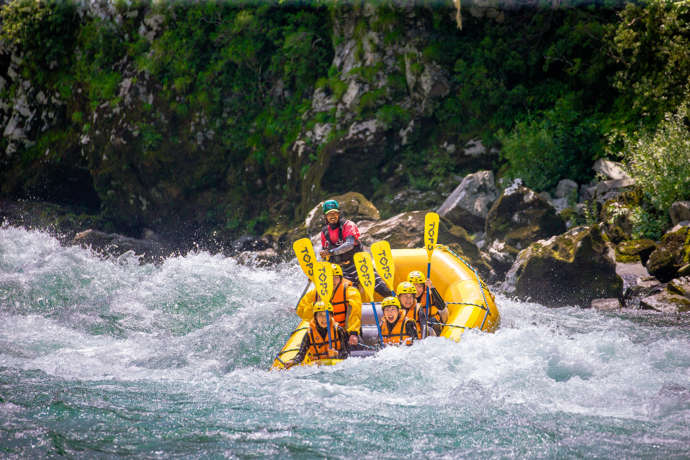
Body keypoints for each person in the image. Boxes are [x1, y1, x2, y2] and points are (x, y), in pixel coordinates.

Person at [318, 199, 392, 297]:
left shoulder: (348, 225)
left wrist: (331, 252)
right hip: (342, 270)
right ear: (325, 216)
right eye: (329, 214)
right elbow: (326, 256)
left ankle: (396, 305)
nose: (332, 216)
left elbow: (349, 244)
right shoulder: (324, 233)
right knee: (343, 295)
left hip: (359, 263)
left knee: (380, 287)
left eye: (335, 213)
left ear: (339, 214)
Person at [296, 263, 363, 346]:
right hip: (323, 333)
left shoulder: (351, 292)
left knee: (356, 343)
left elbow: (355, 314)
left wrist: (353, 333)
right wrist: (315, 305)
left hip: (345, 333)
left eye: (336, 277)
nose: (333, 281)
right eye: (330, 278)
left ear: (341, 279)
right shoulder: (315, 293)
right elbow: (301, 312)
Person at [286, 301, 349, 367]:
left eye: (327, 315)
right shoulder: (309, 334)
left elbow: (346, 354)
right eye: (320, 315)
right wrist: (293, 361)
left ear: (331, 316)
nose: (324, 319)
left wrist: (337, 354)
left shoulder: (339, 330)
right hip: (317, 368)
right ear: (315, 317)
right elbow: (301, 355)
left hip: (335, 366)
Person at [408, 270, 448, 336]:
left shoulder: (428, 294)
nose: (417, 290)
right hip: (415, 326)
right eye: (414, 286)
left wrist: (432, 287)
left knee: (444, 310)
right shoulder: (405, 298)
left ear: (424, 287)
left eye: (420, 286)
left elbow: (442, 306)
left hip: (430, 323)